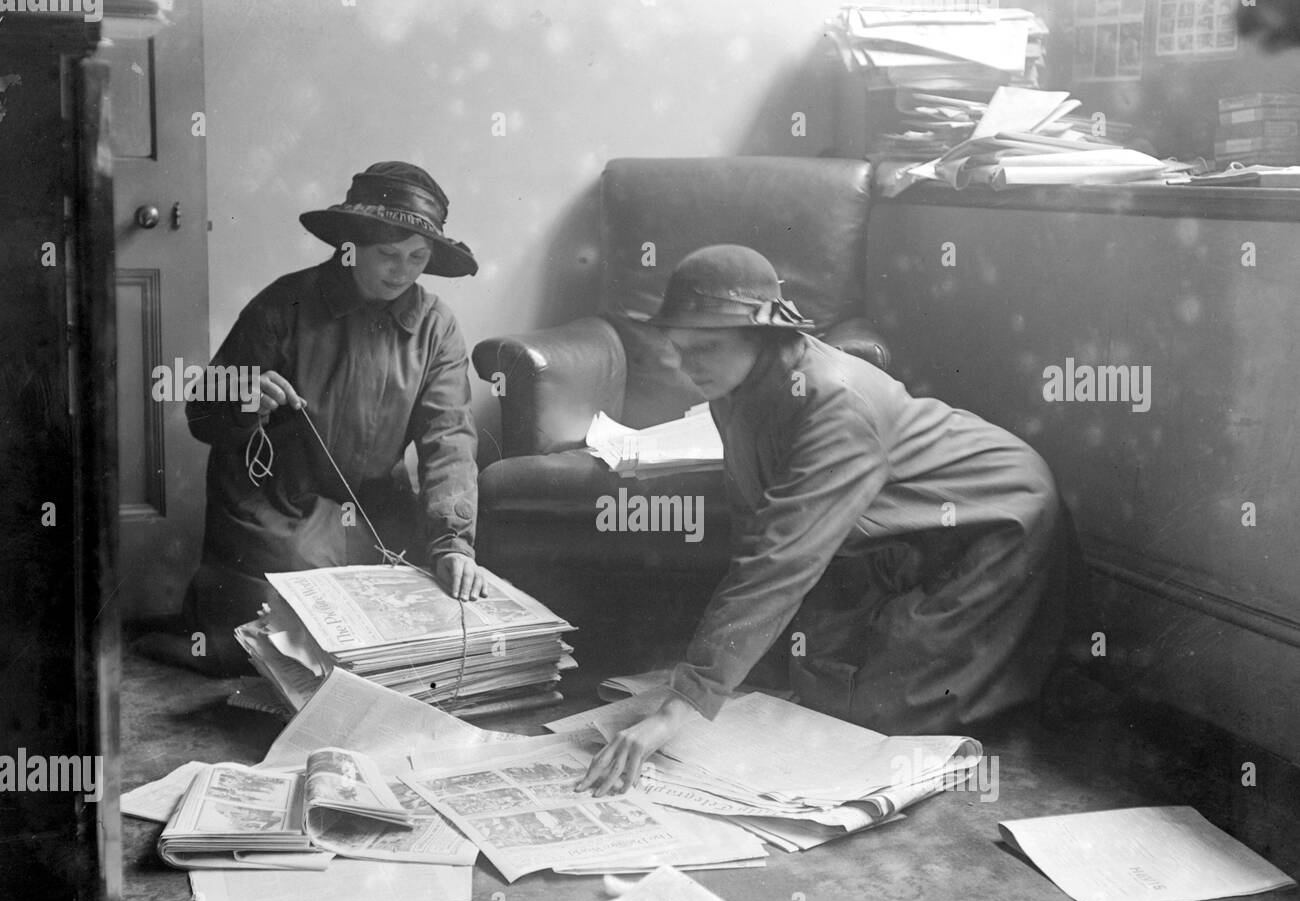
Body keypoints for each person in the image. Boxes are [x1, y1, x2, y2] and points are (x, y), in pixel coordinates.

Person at [580, 244, 1085, 796]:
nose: (687, 365)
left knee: (871, 723)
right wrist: (712, 680)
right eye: (679, 347)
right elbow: (761, 527)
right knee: (806, 682)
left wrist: (682, 706)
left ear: (765, 334)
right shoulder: (733, 387)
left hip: (997, 522)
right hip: (898, 531)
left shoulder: (832, 402)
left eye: (706, 347)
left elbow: (781, 561)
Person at [142, 161, 485, 676]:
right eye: (388, 255)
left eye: (418, 257)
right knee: (274, 644)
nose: (403, 271)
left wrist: (453, 541)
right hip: (275, 504)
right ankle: (211, 632)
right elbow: (201, 415)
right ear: (350, 247)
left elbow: (449, 438)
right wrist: (242, 400)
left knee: (419, 623)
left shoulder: (436, 326)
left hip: (372, 505)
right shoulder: (286, 302)